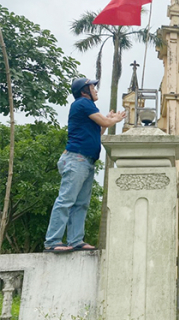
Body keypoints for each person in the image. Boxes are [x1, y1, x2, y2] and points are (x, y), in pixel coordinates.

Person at [44, 78, 126, 253]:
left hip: (86, 161)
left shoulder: (87, 106)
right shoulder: (83, 103)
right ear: (84, 91)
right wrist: (115, 119)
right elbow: (104, 123)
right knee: (66, 200)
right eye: (92, 87)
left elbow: (99, 130)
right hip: (76, 159)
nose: (95, 90)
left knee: (81, 203)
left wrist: (108, 119)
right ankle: (52, 241)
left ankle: (75, 240)